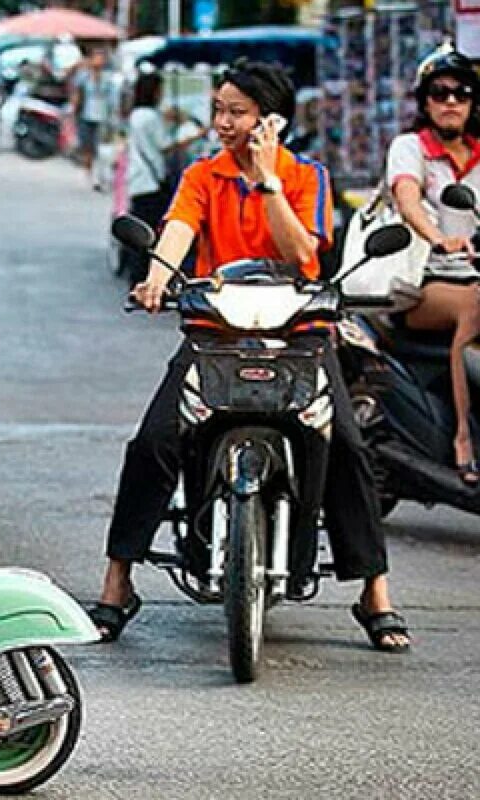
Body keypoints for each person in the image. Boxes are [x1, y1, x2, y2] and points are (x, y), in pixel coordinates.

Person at [89, 60, 412, 654]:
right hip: (217, 334)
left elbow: (304, 256)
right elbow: (180, 231)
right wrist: (158, 276)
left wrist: (266, 182)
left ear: (271, 121)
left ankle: (375, 592)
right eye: (219, 110)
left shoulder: (305, 176)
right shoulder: (202, 176)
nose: (222, 122)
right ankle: (117, 582)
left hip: (299, 337)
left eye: (236, 112)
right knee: (155, 441)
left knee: (346, 443)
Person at [387, 42, 480, 485]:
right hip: (426, 282)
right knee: (476, 304)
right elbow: (408, 200)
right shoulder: (411, 148)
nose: (450, 102)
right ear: (425, 101)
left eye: (460, 93)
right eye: (439, 93)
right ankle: (465, 438)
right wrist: (439, 238)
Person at [122, 71, 205, 284]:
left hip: (138, 180)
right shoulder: (150, 117)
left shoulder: (137, 115)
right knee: (152, 233)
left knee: (140, 230)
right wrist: (194, 135)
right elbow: (165, 145)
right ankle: (148, 278)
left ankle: (137, 275)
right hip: (151, 182)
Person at [69, 47, 117, 189]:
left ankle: (101, 175)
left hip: (103, 116)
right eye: (96, 57)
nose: (99, 61)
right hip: (86, 115)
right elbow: (77, 93)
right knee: (87, 146)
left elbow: (113, 98)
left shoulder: (109, 77)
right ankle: (89, 173)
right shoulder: (83, 76)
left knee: (101, 147)